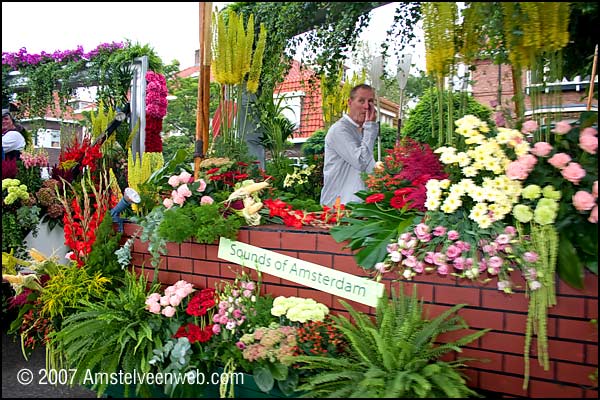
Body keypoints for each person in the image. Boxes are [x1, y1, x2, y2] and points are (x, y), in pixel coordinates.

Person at [320, 84, 380, 206]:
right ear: (350, 102)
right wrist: (370, 127)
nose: (366, 106)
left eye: (370, 101)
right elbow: (360, 161)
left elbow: (368, 167)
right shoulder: (340, 130)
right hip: (338, 207)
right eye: (361, 101)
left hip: (359, 208)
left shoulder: (364, 130)